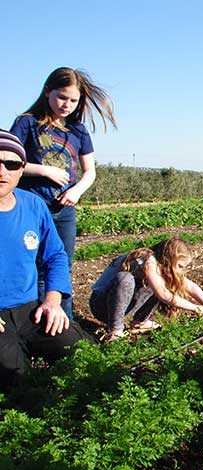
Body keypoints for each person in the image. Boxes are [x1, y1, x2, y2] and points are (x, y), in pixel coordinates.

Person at [10, 67, 117, 318]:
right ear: (47, 91)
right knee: (35, 266)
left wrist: (77, 191)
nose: (66, 104)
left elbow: (89, 171)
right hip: (34, 207)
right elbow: (10, 160)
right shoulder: (27, 123)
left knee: (61, 266)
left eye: (73, 100)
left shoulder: (78, 131)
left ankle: (63, 323)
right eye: (62, 97)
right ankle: (34, 323)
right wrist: (45, 170)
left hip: (64, 210)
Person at [0, 130, 93, 389]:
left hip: (29, 309)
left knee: (85, 353)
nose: (2, 171)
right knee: (16, 382)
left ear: (21, 170)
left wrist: (53, 301)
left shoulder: (33, 205)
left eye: (11, 164)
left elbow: (55, 256)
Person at [89, 237, 203, 342]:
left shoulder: (160, 266)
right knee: (125, 279)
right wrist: (195, 308)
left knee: (160, 282)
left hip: (123, 306)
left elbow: (190, 286)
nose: (182, 270)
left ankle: (139, 322)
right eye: (180, 266)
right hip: (101, 305)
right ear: (169, 258)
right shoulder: (147, 260)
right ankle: (115, 330)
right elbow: (163, 295)